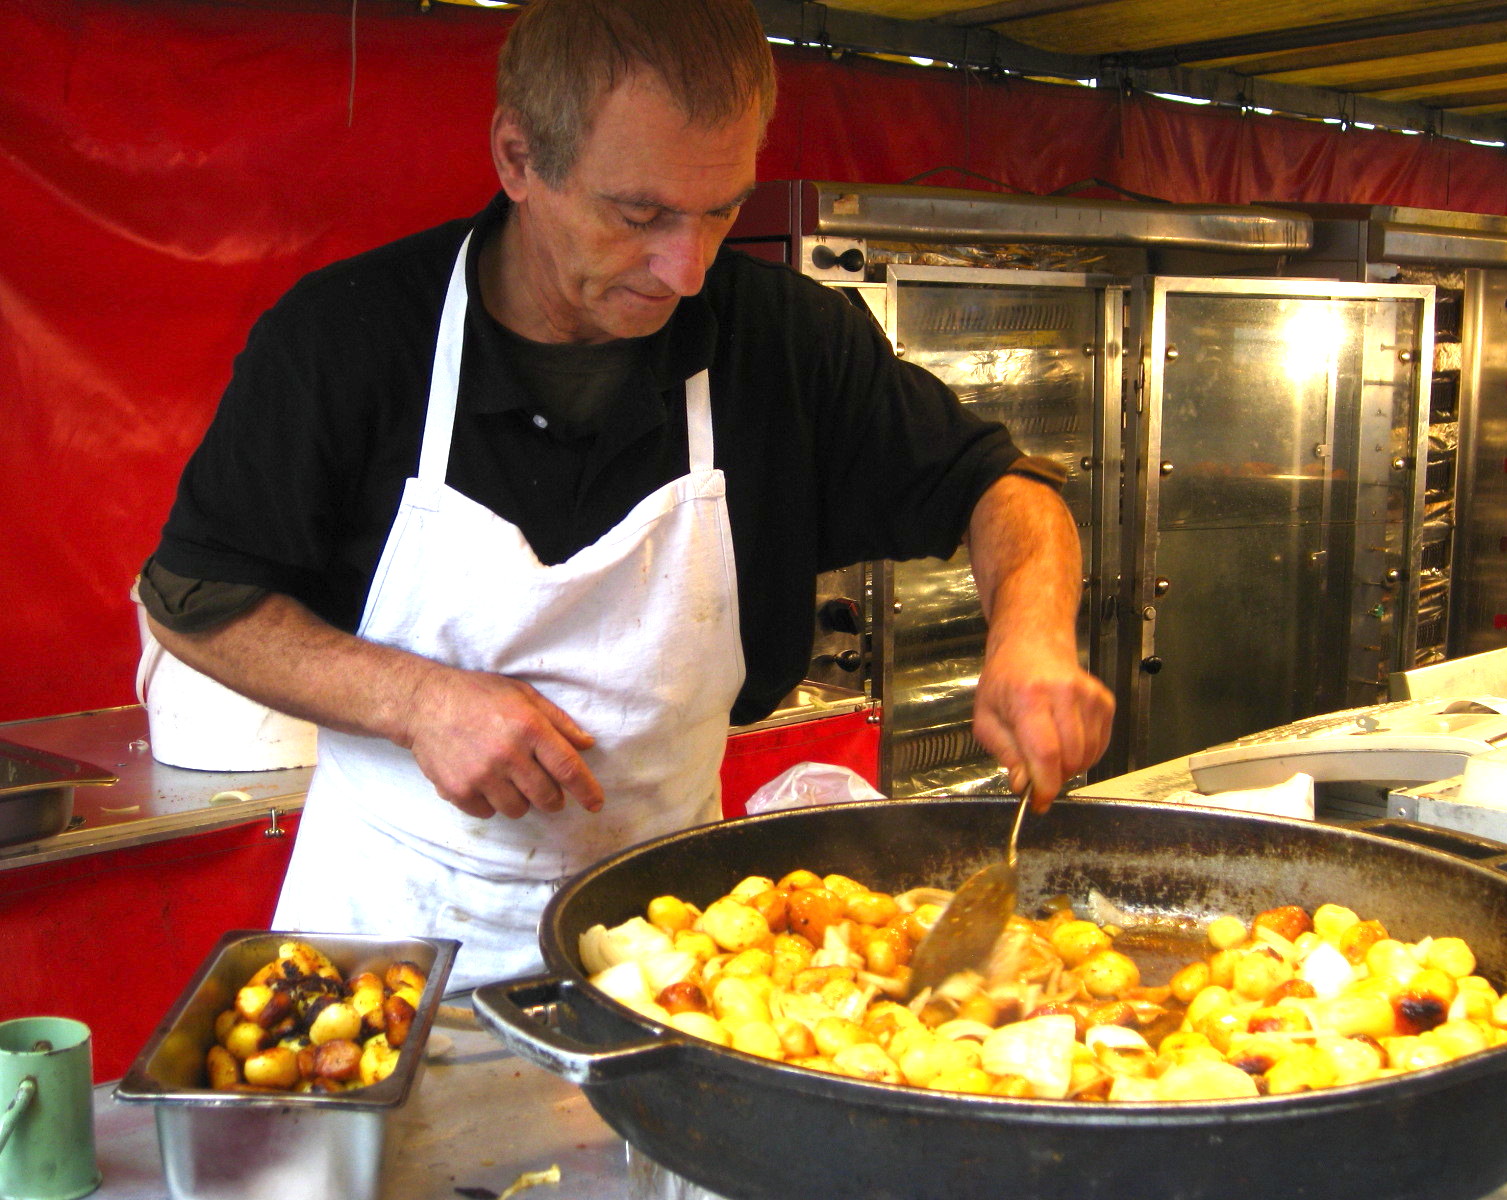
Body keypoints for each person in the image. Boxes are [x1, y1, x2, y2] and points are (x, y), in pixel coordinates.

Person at [139, 0, 1114, 991]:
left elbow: (1001, 486)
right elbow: (196, 599)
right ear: (518, 158)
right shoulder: (346, 339)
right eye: (640, 215)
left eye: (720, 210)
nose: (685, 270)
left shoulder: (786, 343)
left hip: (673, 953)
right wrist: (415, 701)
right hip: (386, 949)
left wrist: (1033, 632)